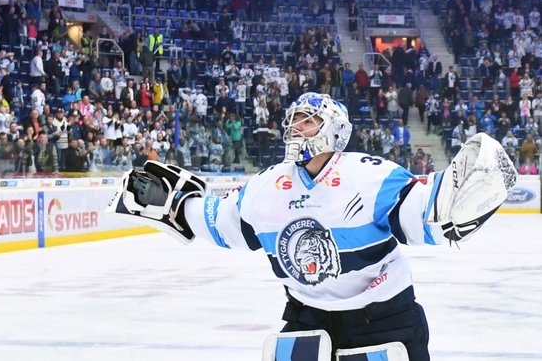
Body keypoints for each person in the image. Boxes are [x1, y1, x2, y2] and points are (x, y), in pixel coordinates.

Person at [110, 92, 516, 361]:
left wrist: (462, 195)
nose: (296, 127)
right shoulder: (267, 186)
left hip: (384, 315)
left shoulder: (368, 174)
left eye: (307, 120)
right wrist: (176, 204)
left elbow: (428, 215)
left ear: (334, 129)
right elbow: (221, 223)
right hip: (310, 315)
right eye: (295, 119)